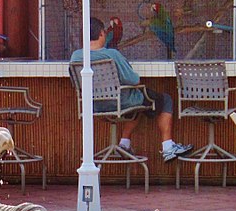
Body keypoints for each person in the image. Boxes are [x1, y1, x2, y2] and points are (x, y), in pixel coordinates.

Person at [71, 17, 193, 162]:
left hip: (93, 105)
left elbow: (75, 83)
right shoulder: (112, 54)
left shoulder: (76, 56)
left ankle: (124, 144)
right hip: (120, 102)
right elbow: (134, 80)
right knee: (161, 99)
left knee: (139, 104)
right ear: (102, 34)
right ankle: (168, 147)